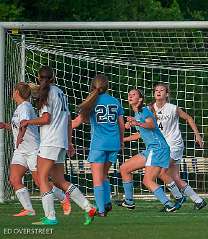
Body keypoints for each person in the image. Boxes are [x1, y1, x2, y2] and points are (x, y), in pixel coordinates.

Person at [20, 66, 95, 225]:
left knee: (42, 178)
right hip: (60, 141)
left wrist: (28, 122)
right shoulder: (61, 93)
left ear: (39, 78)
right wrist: (68, 142)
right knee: (59, 180)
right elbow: (68, 120)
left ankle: (51, 217)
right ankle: (88, 207)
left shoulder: (47, 94)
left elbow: (46, 119)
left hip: (50, 142)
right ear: (53, 78)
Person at [0, 82, 71, 217]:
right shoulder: (19, 108)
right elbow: (19, 126)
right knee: (14, 179)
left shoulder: (25, 107)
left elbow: (25, 126)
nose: (12, 93)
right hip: (21, 151)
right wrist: (5, 125)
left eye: (13, 91)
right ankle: (29, 209)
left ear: (16, 92)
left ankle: (63, 198)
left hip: (32, 150)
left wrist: (20, 137)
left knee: (40, 181)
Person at [72, 74, 125, 217]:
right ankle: (107, 202)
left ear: (92, 87)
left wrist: (60, 128)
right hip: (113, 143)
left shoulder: (91, 102)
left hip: (99, 144)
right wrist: (121, 141)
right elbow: (121, 124)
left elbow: (76, 122)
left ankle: (101, 210)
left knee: (97, 178)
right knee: (103, 175)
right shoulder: (115, 101)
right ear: (107, 86)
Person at [149, 83, 207, 210]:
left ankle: (179, 197)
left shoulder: (172, 108)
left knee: (160, 171)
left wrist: (198, 135)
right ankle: (198, 200)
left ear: (167, 94)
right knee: (174, 177)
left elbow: (189, 118)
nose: (158, 92)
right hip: (163, 147)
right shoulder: (150, 109)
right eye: (156, 90)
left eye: (162, 90)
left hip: (174, 144)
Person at [118, 89, 176, 212]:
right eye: (129, 94)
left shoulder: (144, 111)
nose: (130, 96)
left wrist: (136, 123)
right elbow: (140, 134)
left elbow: (151, 125)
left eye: (133, 94)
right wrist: (123, 139)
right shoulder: (137, 115)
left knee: (147, 180)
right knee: (124, 168)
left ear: (140, 99)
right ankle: (129, 202)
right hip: (151, 149)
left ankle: (169, 205)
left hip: (158, 148)